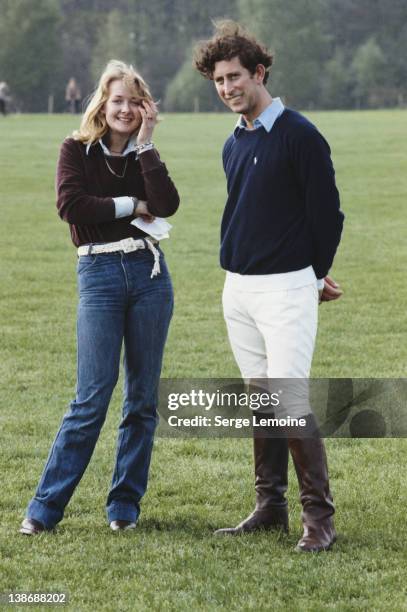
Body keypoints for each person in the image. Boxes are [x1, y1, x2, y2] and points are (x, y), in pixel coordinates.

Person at [194, 21, 344, 552]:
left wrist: (313, 273)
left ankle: (319, 519)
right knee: (262, 399)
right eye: (218, 80)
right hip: (238, 289)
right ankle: (269, 506)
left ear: (259, 73)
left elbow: (327, 214)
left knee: (288, 397)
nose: (227, 88)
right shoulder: (233, 143)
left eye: (235, 77)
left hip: (286, 290)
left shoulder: (301, 135)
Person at [20, 60, 179, 535]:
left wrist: (147, 146)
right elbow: (72, 207)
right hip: (99, 274)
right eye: (118, 101)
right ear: (101, 104)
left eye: (135, 102)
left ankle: (124, 507)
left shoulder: (142, 156)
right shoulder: (76, 150)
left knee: (142, 400)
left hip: (150, 274)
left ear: (145, 108)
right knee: (91, 397)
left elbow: (168, 204)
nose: (126, 109)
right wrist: (133, 205)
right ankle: (44, 510)